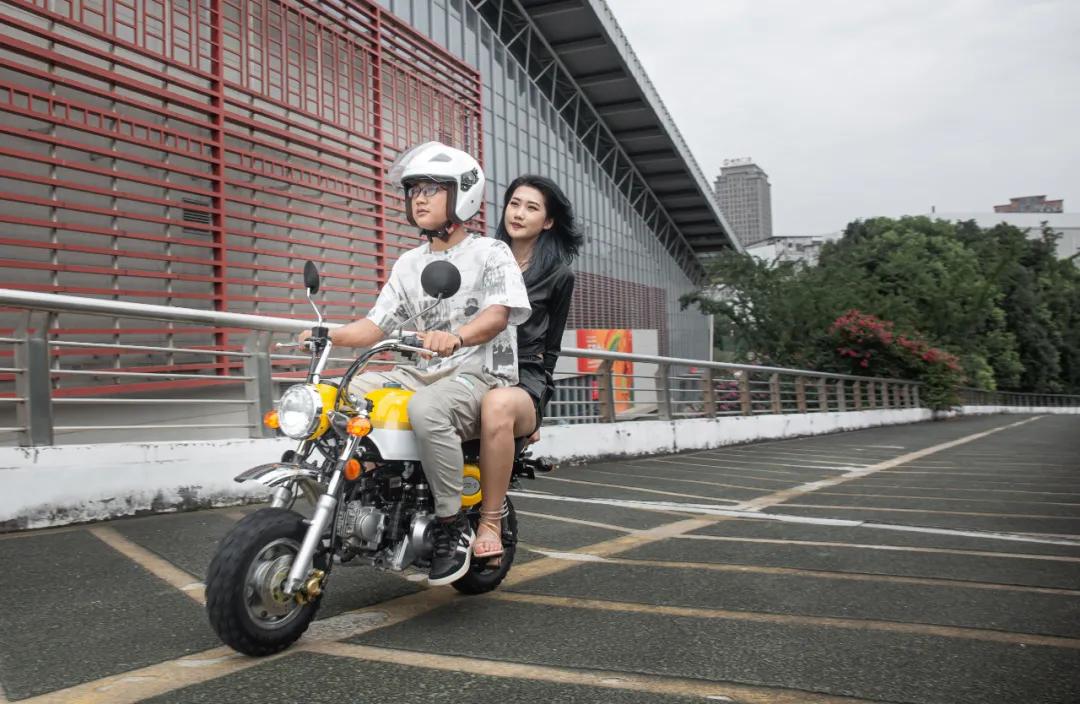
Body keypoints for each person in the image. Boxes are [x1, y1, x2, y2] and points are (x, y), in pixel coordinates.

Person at [301, 142, 530, 585]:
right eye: (412, 191)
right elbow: (376, 325)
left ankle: (451, 525)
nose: (418, 199)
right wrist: (328, 333)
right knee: (336, 395)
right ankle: (356, 494)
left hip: (477, 373)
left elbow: (498, 314)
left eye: (430, 189)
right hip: (415, 372)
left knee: (427, 409)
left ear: (461, 194)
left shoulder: (491, 253)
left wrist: (458, 336)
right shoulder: (408, 263)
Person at [473, 175, 581, 561]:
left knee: (500, 405)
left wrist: (538, 413)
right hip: (474, 365)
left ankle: (490, 521)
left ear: (548, 221)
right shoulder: (481, 259)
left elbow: (551, 349)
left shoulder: (559, 275)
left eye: (532, 208)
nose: (518, 213)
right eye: (514, 203)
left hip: (524, 376)